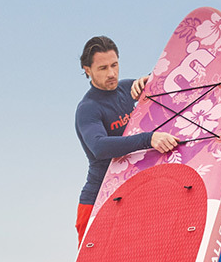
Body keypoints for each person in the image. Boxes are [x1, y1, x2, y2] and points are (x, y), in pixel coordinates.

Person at [73, 35, 178, 242]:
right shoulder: (88, 108)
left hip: (127, 194)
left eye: (114, 65)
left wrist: (149, 80)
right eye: (103, 68)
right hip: (97, 201)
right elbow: (99, 147)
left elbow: (167, 82)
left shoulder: (128, 89)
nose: (111, 74)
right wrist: (149, 139)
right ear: (88, 70)